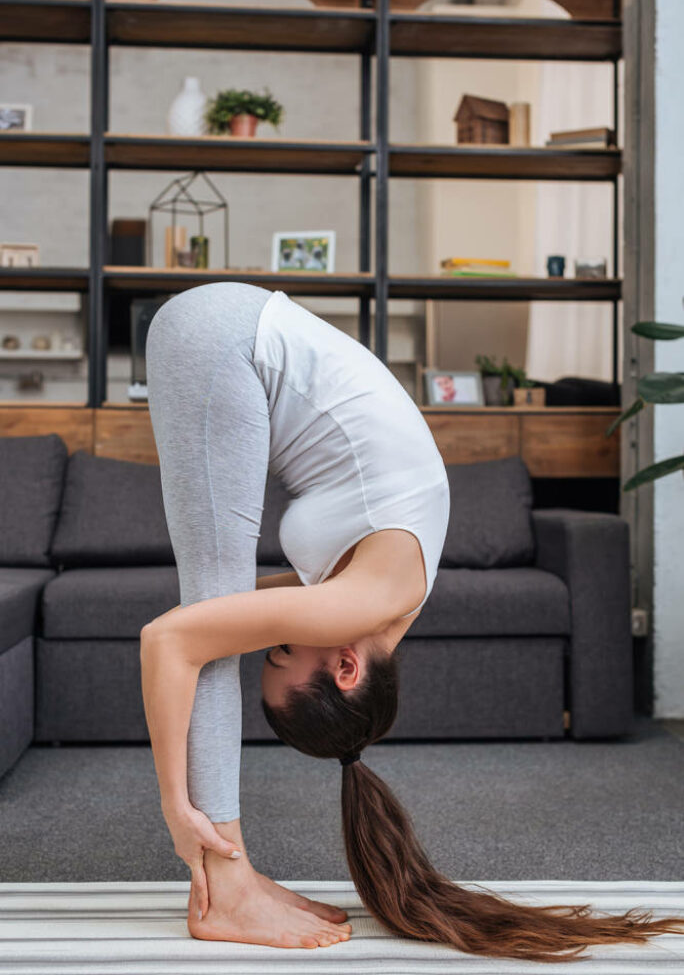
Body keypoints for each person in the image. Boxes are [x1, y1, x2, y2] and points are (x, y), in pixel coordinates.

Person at [141, 281, 684, 959]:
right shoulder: (363, 602)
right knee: (205, 639)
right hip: (224, 338)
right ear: (345, 667)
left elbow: (197, 625)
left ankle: (236, 875)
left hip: (228, 332)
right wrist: (175, 807)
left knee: (210, 629)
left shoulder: (382, 598)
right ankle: (225, 883)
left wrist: (205, 634)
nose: (273, 639)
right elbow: (168, 638)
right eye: (283, 650)